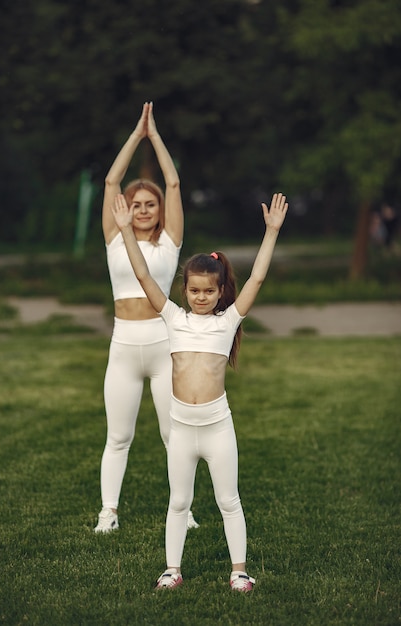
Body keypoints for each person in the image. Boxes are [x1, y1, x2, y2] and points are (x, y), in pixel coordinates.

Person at [111, 190, 288, 591]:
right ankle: (172, 570)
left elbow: (257, 276)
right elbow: (142, 275)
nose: (202, 297)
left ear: (221, 291)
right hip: (182, 430)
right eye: (194, 291)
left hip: (216, 428)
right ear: (184, 291)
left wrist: (271, 233)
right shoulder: (173, 318)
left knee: (229, 501)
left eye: (209, 291)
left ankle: (239, 570)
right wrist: (124, 230)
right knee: (178, 502)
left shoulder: (227, 322)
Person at [95, 102, 199, 533]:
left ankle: (184, 510)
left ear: (159, 210)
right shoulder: (115, 237)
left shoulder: (170, 242)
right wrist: (134, 136)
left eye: (149, 204)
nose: (141, 209)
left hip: (162, 348)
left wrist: (154, 137)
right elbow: (110, 179)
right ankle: (108, 513)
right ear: (126, 208)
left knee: (173, 436)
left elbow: (172, 181)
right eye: (135, 204)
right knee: (118, 437)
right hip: (123, 346)